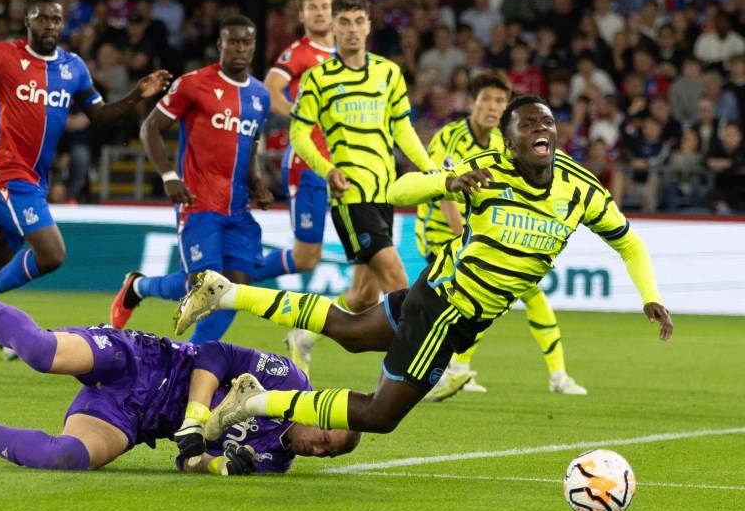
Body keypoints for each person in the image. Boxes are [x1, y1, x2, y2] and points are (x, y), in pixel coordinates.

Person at [174, 96, 673, 442]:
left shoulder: (580, 188)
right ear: (508, 142)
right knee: (378, 414)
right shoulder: (485, 171)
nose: (541, 129)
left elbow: (628, 241)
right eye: (528, 125)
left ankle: (225, 292)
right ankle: (254, 404)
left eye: (547, 122)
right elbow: (397, 192)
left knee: (349, 331)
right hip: (446, 311)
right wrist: (449, 182)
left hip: (438, 295)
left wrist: (648, 293)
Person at [0, 260, 359, 474]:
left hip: (136, 419)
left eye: (326, 455)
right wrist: (194, 414)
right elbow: (217, 354)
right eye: (326, 437)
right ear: (323, 413)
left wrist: (214, 466)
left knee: (66, 460)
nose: (318, 448)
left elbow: (184, 462)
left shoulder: (275, 460)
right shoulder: (290, 382)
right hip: (147, 361)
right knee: (38, 352)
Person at [0, 0, 171, 384]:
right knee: (51, 255)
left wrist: (137, 94)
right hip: (5, 176)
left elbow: (99, 116)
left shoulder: (73, 68)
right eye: (43, 18)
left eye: (57, 19)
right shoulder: (3, 56)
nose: (50, 25)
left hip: (33, 180)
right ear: (28, 21)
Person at [415, 71, 585, 399]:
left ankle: (558, 376)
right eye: (487, 99)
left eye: (500, 101)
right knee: (447, 307)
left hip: (487, 235)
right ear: (471, 103)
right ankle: (432, 374)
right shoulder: (448, 138)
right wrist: (468, 239)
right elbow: (444, 194)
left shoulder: (502, 141)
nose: (493, 107)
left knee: (528, 294)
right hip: (441, 235)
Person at [109, 15, 272, 346]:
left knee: (236, 290)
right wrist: (169, 175)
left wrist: (256, 181)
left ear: (254, 46)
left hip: (238, 209)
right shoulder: (193, 83)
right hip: (199, 203)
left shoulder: (260, 96)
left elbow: (251, 142)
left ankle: (192, 357)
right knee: (204, 286)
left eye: (247, 42)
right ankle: (137, 287)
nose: (240, 48)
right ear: (220, 45)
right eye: (234, 41)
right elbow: (149, 127)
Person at [285, 0, 437, 338]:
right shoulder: (318, 78)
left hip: (386, 193)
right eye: (344, 22)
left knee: (363, 295)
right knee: (398, 282)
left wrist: (430, 169)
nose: (352, 29)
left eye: (358, 21)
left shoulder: (389, 72)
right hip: (350, 195)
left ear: (369, 26)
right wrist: (327, 170)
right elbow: (299, 134)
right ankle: (413, 368)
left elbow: (402, 129)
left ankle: (303, 335)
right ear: (333, 27)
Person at [253, 0, 337, 374]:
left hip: (345, 167)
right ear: (302, 16)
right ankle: (237, 273)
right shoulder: (298, 53)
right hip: (308, 162)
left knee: (371, 264)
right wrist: (302, 117)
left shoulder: (347, 54)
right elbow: (270, 92)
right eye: (313, 8)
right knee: (307, 258)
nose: (320, 13)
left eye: (325, 6)